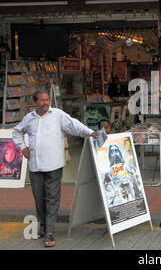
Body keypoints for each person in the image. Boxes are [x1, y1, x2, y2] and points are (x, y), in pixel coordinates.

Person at [12, 90, 97, 248]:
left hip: (54, 164)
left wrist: (91, 133)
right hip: (35, 165)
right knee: (39, 198)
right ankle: (43, 228)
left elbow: (74, 126)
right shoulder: (29, 118)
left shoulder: (58, 114)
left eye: (47, 100)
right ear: (35, 102)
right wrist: (22, 147)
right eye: (42, 100)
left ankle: (50, 232)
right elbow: (16, 132)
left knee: (52, 197)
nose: (45, 102)